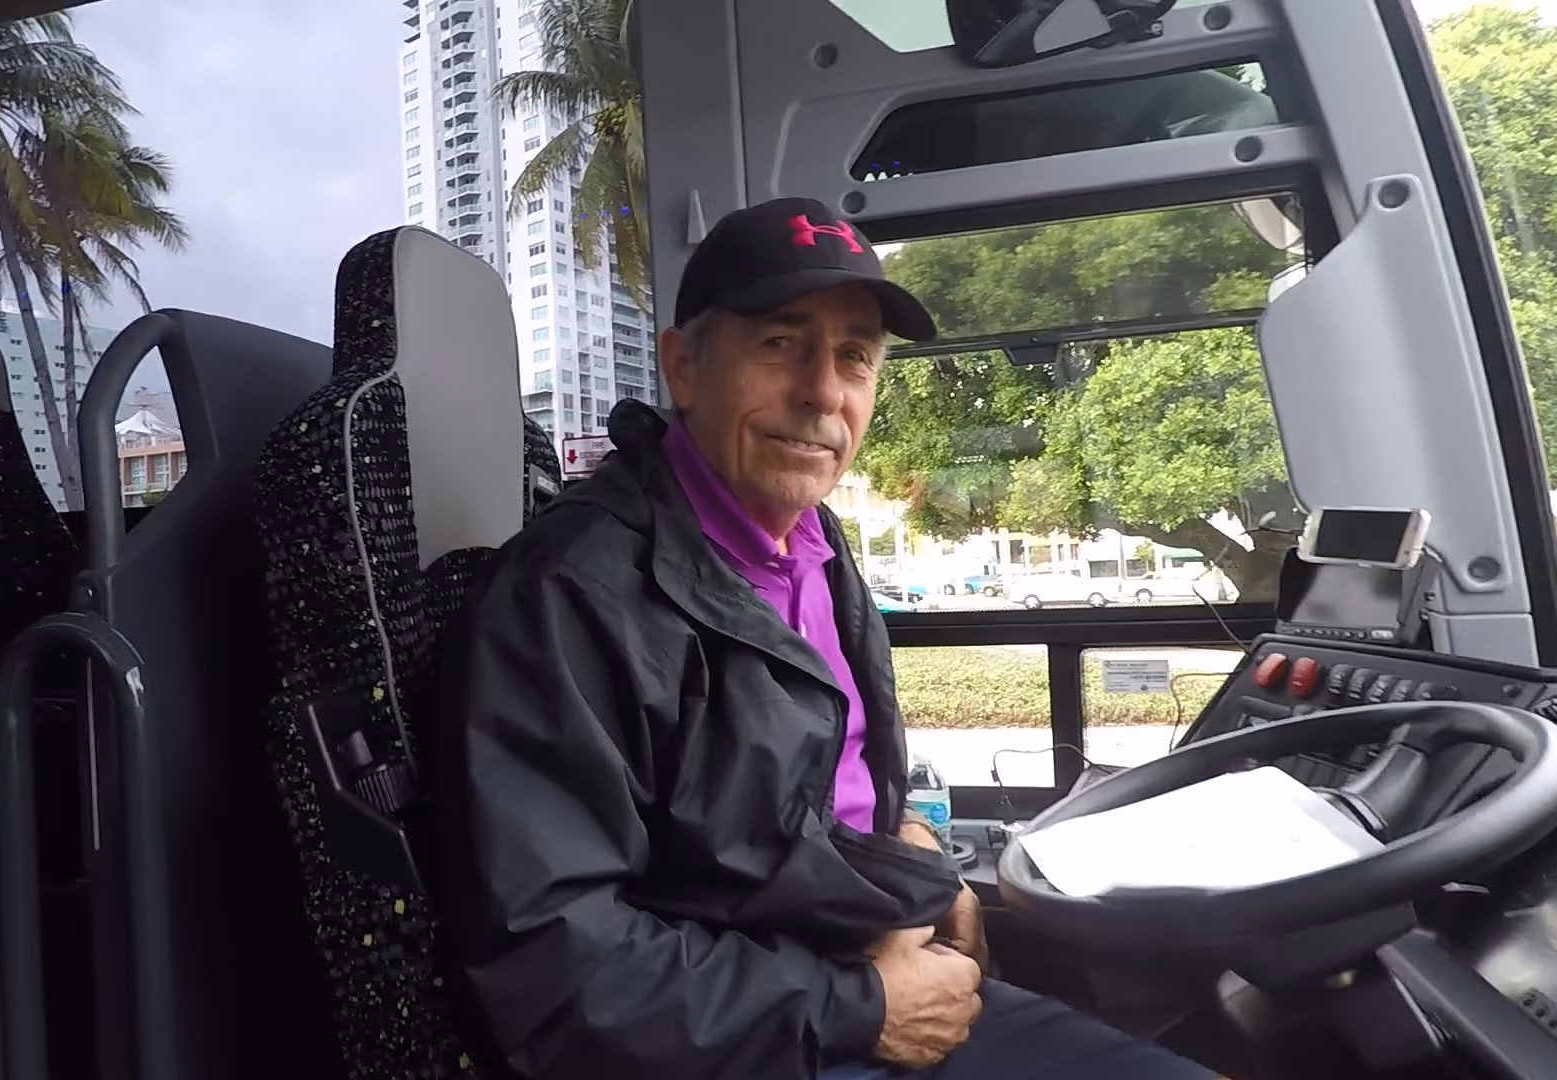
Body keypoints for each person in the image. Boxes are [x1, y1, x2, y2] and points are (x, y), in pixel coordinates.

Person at [434, 196, 1223, 1080]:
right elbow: (559, 974)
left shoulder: (812, 540)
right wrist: (864, 1010)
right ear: (683, 366)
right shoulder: (570, 594)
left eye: (854, 357)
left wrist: (918, 854)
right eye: (780, 343)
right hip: (752, 1040)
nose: (822, 391)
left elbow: (797, 798)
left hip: (855, 969)